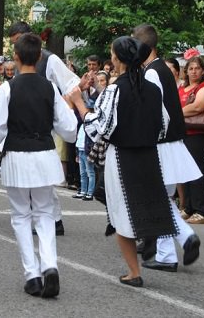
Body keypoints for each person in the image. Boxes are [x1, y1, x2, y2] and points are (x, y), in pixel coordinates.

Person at [70, 36, 176, 287]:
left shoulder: (115, 89)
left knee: (121, 212)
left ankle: (134, 272)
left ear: (117, 58)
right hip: (150, 155)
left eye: (112, 53)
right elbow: (164, 124)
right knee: (146, 204)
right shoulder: (153, 89)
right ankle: (150, 242)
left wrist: (79, 104)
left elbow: (99, 128)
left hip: (121, 156)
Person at [0, 33, 77, 298]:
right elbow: (69, 129)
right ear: (39, 57)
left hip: (17, 156)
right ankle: (50, 265)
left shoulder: (7, 88)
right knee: (45, 213)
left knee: (21, 216)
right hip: (44, 153)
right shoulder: (50, 88)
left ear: (16, 57)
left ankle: (32, 275)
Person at [133, 24, 202, 273]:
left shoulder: (152, 72)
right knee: (162, 200)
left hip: (161, 145)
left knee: (157, 200)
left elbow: (154, 112)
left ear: (144, 47)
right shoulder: (160, 68)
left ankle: (179, 242)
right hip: (170, 144)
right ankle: (172, 249)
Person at [8, 21, 82, 235]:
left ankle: (53, 219)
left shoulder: (50, 60)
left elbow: (71, 82)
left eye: (17, 42)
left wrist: (65, 104)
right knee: (34, 176)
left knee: (40, 176)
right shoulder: (20, 63)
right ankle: (49, 218)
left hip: (43, 122)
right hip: (24, 122)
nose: (16, 48)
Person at [178, 56, 204, 224]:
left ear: (203, 71)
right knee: (184, 170)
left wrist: (176, 112)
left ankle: (202, 211)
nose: (194, 71)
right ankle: (188, 208)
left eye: (197, 68)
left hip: (197, 134)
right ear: (186, 71)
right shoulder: (182, 88)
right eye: (191, 68)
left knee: (196, 169)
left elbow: (198, 106)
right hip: (181, 133)